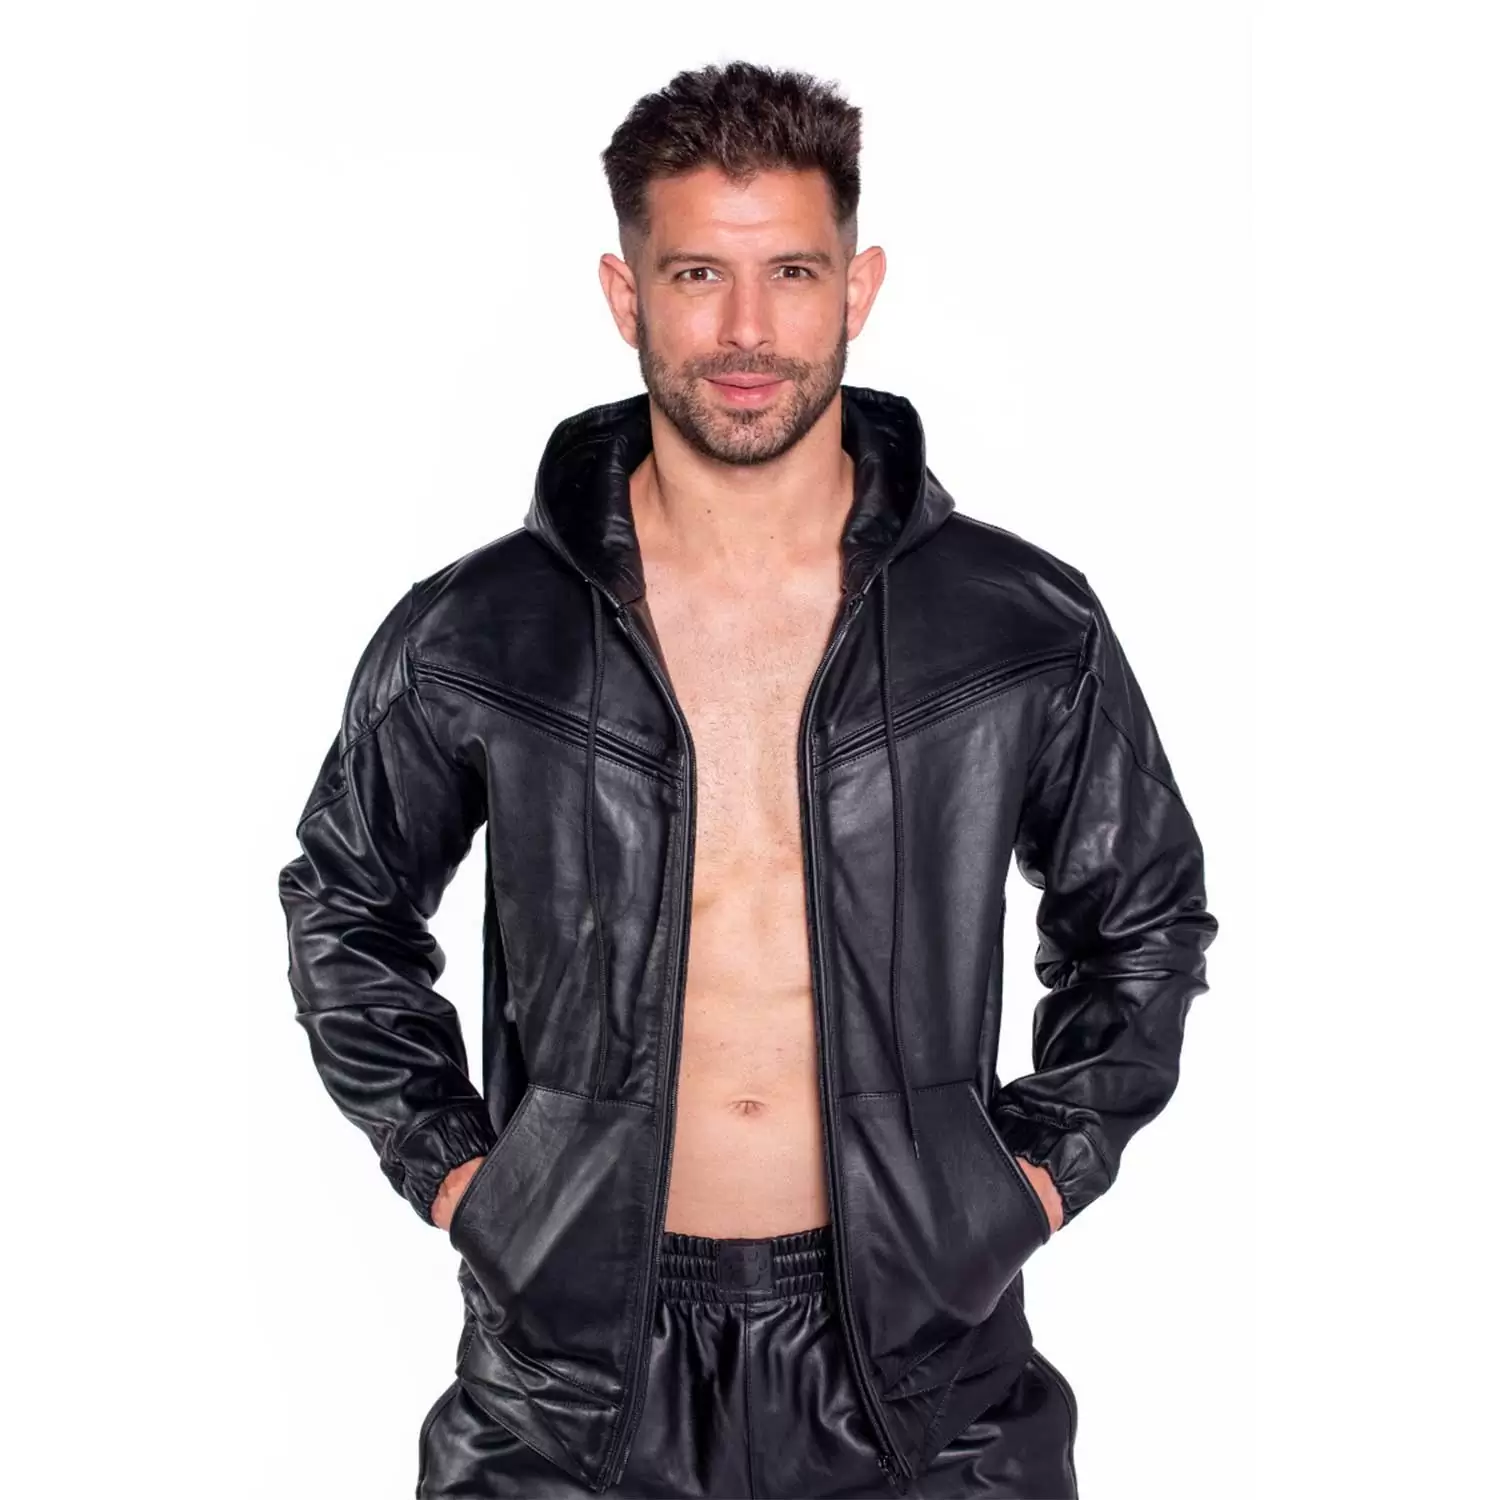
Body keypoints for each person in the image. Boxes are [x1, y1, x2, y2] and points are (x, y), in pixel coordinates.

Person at [278, 59, 1219, 1500]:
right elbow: (345, 903)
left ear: (859, 287)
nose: (745, 330)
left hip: (929, 1373)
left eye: (791, 271)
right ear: (625, 295)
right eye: (696, 274)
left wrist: (1030, 1179)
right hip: (570, 1378)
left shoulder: (1016, 623)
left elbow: (1143, 918)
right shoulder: (481, 631)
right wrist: (460, 1172)